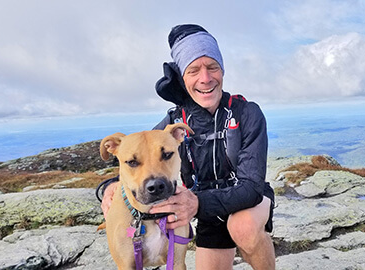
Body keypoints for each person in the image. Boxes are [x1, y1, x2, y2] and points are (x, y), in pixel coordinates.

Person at [98, 24, 275, 270]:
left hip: (245, 203)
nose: (205, 78)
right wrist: (111, 185)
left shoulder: (248, 113)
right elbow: (138, 151)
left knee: (242, 227)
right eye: (194, 70)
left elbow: (252, 188)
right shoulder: (174, 121)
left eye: (212, 67)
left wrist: (196, 204)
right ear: (183, 78)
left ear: (222, 71)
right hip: (206, 213)